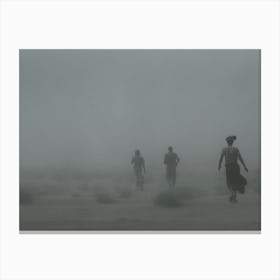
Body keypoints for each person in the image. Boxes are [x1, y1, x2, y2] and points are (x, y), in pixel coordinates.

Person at [218, 136, 248, 203]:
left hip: (228, 167)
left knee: (229, 182)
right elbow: (240, 158)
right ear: (232, 142)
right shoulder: (236, 149)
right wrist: (244, 166)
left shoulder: (224, 149)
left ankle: (233, 195)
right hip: (235, 167)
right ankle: (233, 196)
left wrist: (219, 166)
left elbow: (221, 158)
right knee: (235, 181)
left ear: (227, 142)